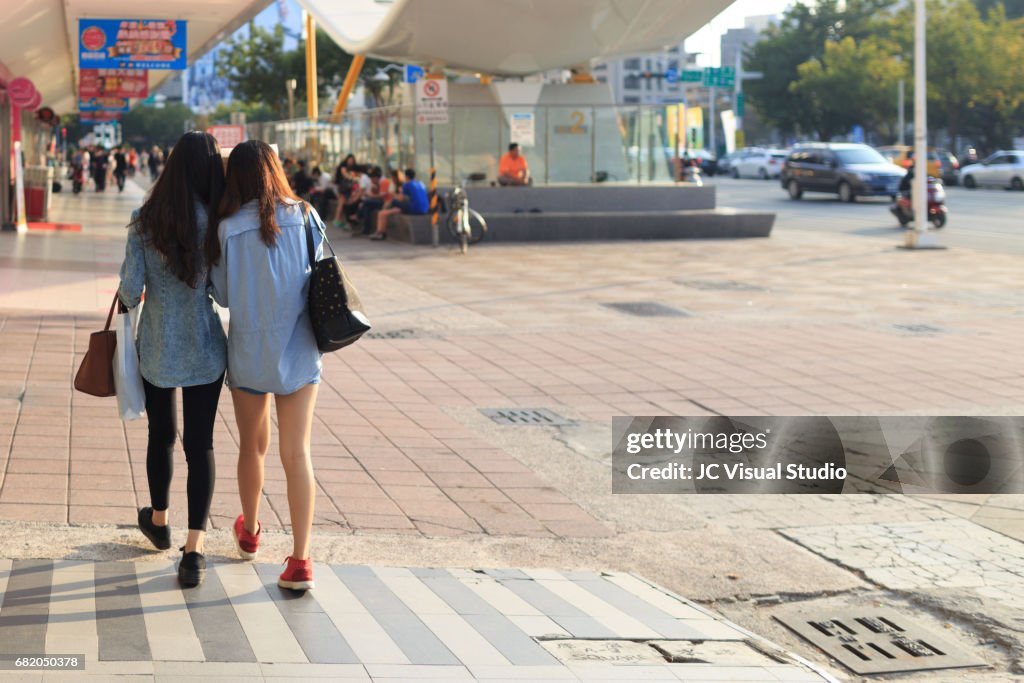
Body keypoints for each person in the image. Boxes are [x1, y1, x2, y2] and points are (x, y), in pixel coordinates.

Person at [208, 140, 324, 592]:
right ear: (276, 169)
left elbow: (224, 296)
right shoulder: (307, 216)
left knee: (252, 446)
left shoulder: (227, 228)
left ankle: (251, 532)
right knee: (297, 452)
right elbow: (323, 275)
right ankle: (300, 560)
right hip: (298, 348)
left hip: (249, 351)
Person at [118, 131, 228, 588]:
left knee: (161, 435)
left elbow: (129, 289)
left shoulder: (144, 221)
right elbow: (221, 293)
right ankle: (194, 551)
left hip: (158, 348)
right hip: (205, 347)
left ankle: (159, 522)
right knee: (199, 446)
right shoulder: (216, 223)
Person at [372, 168, 429, 240]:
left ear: (406, 177)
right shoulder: (421, 184)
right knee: (394, 207)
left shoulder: (407, 184)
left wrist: (393, 195)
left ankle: (380, 232)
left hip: (414, 209)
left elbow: (400, 198)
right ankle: (381, 230)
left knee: (393, 202)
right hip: (425, 209)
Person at [332, 154, 357, 227]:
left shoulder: (350, 167)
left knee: (343, 203)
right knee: (341, 203)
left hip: (345, 187)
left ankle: (339, 220)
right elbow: (345, 175)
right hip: (344, 188)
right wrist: (353, 178)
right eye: (350, 160)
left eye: (352, 160)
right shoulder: (344, 166)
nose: (351, 161)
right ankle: (337, 220)